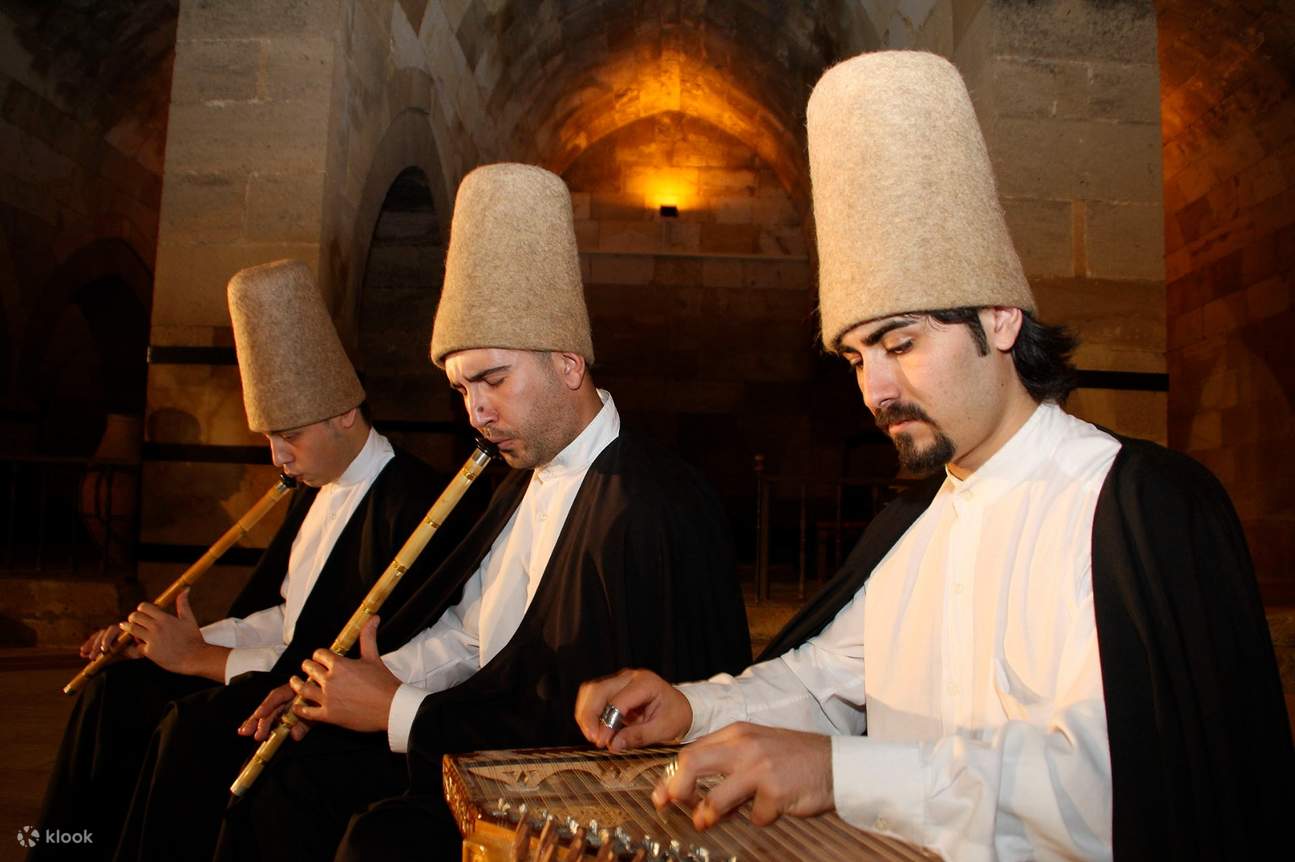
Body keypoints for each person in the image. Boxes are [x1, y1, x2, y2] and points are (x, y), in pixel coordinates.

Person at [575, 51, 1293, 861]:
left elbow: (1114, 789)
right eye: (853, 358)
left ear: (999, 321)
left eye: (900, 342)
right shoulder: (915, 523)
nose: (875, 390)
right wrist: (687, 707)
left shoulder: (1136, 508)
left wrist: (845, 772)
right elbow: (822, 682)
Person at [212, 163, 752, 862]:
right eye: (461, 389)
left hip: (580, 803)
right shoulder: (513, 481)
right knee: (281, 780)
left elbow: (591, 728)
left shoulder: (651, 505)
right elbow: (469, 636)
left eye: (492, 380)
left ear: (566, 363)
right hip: (469, 737)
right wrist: (362, 685)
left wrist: (396, 710)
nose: (476, 411)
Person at [33, 260, 465, 862]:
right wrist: (177, 640)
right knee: (115, 691)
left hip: (331, 699)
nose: (278, 457)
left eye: (289, 435)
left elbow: (355, 650)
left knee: (193, 730)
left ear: (345, 412)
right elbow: (285, 613)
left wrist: (201, 659)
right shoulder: (312, 483)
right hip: (277, 668)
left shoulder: (419, 504)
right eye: (266, 437)